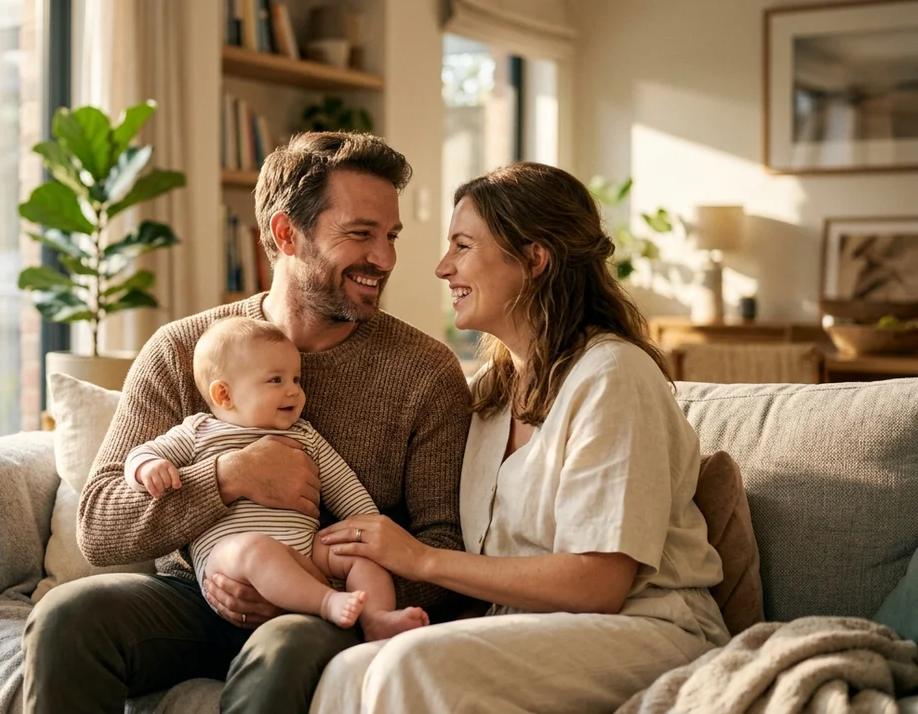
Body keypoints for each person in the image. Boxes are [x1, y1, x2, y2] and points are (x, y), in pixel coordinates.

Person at [21, 132, 471, 714]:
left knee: (284, 646)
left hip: (327, 604)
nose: (384, 259)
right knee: (67, 618)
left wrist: (312, 591)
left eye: (390, 237)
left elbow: (445, 548)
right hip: (194, 596)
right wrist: (229, 477)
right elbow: (101, 524)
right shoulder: (182, 349)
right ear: (286, 235)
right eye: (360, 234)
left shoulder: (425, 371)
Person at [310, 161, 731, 714]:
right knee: (347, 668)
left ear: (534, 259)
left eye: (462, 246)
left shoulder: (613, 378)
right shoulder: (492, 393)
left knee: (407, 664)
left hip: (646, 628)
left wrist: (420, 559)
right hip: (528, 631)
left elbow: (599, 584)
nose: (442, 268)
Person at [125, 316, 430, 639]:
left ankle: (376, 619)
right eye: (276, 380)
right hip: (230, 562)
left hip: (303, 553)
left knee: (360, 556)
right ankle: (327, 603)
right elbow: (139, 455)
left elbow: (344, 487)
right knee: (255, 548)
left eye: (296, 380)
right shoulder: (199, 432)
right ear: (224, 395)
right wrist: (148, 468)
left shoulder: (304, 434)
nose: (293, 391)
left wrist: (369, 529)